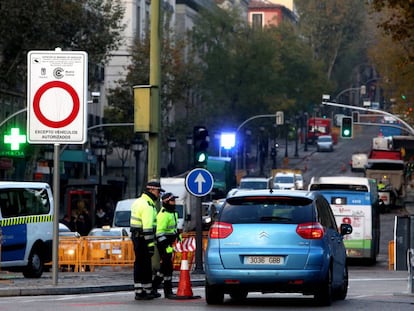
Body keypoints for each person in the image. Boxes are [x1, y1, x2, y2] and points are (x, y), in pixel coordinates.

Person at [130, 181, 164, 300]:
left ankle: (139, 290)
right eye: (158, 191)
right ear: (152, 190)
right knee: (145, 265)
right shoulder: (147, 205)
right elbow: (148, 228)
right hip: (144, 238)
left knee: (139, 264)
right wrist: (150, 245)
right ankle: (147, 291)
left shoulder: (138, 201)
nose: (159, 194)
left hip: (136, 237)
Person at [152, 192, 180, 299]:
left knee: (166, 268)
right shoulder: (163, 215)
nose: (174, 202)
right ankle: (167, 291)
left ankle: (155, 287)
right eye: (172, 200)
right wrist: (166, 246)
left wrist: (178, 237)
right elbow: (159, 232)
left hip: (170, 243)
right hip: (164, 244)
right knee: (167, 268)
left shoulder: (173, 213)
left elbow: (173, 229)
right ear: (166, 202)